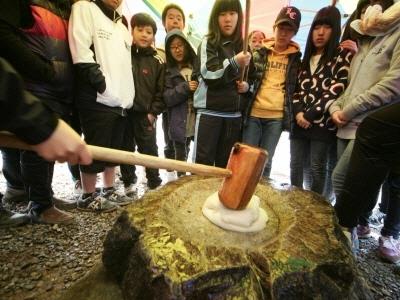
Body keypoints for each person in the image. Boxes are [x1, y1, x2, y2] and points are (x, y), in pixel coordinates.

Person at [330, 0, 400, 262]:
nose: (371, 11)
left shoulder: (396, 35)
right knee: (348, 186)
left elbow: (393, 84)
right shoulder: (364, 45)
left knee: (343, 180)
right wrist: (336, 108)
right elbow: (350, 87)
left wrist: (349, 110)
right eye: (366, 6)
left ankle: (347, 244)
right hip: (346, 123)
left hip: (372, 124)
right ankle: (350, 240)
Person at [1, 0, 81, 225]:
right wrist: (40, 69)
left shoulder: (67, 8)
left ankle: (44, 195)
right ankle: (39, 204)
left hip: (59, 86)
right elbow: (5, 34)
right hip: (36, 84)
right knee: (35, 143)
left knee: (46, 146)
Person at [0, 57, 92, 227]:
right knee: (34, 152)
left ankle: (45, 198)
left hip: (52, 92)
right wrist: (40, 122)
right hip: (36, 88)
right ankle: (39, 205)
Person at [69, 0, 135, 212]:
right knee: (95, 146)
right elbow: (81, 53)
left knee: (113, 148)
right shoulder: (85, 8)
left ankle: (108, 189)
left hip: (121, 100)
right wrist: (102, 85)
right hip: (97, 97)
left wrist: (126, 95)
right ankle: (88, 195)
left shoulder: (124, 26)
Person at [289, 4, 353, 194]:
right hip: (298, 121)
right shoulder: (304, 59)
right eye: (316, 27)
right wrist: (299, 112)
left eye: (327, 27)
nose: (320, 32)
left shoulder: (341, 56)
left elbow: (336, 88)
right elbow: (296, 90)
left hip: (323, 123)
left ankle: (315, 208)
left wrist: (309, 114)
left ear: (335, 30)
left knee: (317, 167)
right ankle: (294, 201)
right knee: (295, 164)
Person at [335, 102, 400, 263]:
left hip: (363, 115)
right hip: (352, 116)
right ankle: (352, 224)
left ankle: (348, 226)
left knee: (374, 128)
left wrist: (348, 111)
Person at [242, 6, 301, 179]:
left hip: (275, 117)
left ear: (294, 33)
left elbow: (294, 88)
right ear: (274, 28)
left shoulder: (296, 59)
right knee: (247, 158)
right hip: (254, 113)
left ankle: (260, 196)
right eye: (281, 28)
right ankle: (240, 195)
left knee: (265, 161)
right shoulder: (259, 53)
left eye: (289, 29)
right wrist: (246, 86)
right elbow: (251, 79)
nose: (283, 33)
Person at [193, 0, 252, 167]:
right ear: (215, 18)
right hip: (209, 114)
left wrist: (247, 86)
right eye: (223, 14)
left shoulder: (245, 46)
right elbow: (209, 74)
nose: (228, 19)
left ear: (239, 16)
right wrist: (234, 62)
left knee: (226, 168)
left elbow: (253, 79)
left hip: (234, 117)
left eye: (232, 13)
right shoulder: (208, 42)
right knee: (201, 167)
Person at [120, 13, 165, 192]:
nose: (144, 34)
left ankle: (154, 182)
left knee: (150, 149)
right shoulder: (124, 54)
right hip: (125, 112)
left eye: (149, 31)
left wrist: (153, 113)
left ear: (154, 36)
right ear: (132, 31)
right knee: (126, 149)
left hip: (145, 115)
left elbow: (161, 91)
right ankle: (128, 182)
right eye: (140, 30)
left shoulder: (158, 61)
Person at [163, 29, 198, 176]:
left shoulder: (196, 66)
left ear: (186, 46)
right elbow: (167, 97)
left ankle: (190, 181)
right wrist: (185, 87)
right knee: (180, 155)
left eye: (180, 45)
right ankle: (180, 181)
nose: (177, 50)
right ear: (168, 51)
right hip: (178, 118)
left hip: (195, 118)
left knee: (192, 150)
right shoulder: (168, 71)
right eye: (173, 47)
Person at [158, 3, 187, 180]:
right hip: (165, 101)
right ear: (164, 23)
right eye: (171, 17)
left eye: (179, 18)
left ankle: (179, 171)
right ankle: (170, 173)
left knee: (183, 139)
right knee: (169, 136)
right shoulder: (159, 50)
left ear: (183, 23)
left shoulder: (189, 49)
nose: (175, 21)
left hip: (183, 103)